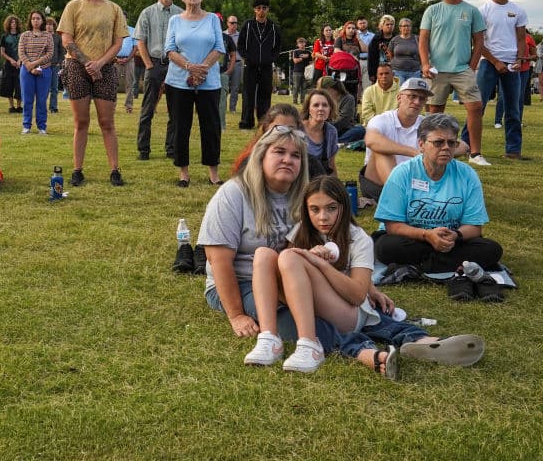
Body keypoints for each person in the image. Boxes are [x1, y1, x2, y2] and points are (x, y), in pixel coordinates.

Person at [246, 175, 486, 376]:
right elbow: (286, 274)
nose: (323, 217)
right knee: (264, 255)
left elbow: (357, 294)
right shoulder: (301, 231)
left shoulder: (358, 238)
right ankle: (269, 339)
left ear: (344, 206)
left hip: (349, 313)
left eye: (331, 208)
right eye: (314, 210)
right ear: (306, 210)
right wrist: (307, 257)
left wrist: (319, 264)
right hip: (310, 304)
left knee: (289, 257)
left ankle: (310, 345)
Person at [201, 125, 341, 350]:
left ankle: (393, 330)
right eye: (279, 152)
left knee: (335, 307)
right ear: (261, 155)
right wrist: (236, 315)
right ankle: (358, 346)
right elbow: (218, 260)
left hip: (287, 276)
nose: (288, 160)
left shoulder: (303, 196)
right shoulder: (233, 194)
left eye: (296, 155)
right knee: (294, 323)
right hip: (241, 281)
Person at [374, 113, 504, 300]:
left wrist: (456, 235)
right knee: (386, 246)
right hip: (413, 239)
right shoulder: (402, 173)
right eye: (438, 142)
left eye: (451, 143)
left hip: (452, 241)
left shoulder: (467, 174)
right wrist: (427, 235)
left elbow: (475, 227)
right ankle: (456, 266)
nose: (446, 148)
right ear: (421, 144)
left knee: (492, 249)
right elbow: (392, 226)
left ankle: (419, 267)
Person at [57, 0, 129, 187]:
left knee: (107, 122)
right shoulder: (73, 6)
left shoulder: (114, 9)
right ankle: (78, 169)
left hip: (106, 67)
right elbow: (66, 40)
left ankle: (115, 170)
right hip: (77, 67)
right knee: (81, 122)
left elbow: (118, 43)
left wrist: (100, 64)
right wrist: (89, 63)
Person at [418, 0, 490, 166]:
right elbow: (423, 39)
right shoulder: (432, 10)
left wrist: (472, 67)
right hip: (437, 70)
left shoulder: (471, 11)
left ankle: (475, 153)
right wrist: (425, 63)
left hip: (462, 69)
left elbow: (479, 41)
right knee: (435, 111)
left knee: (475, 107)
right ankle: (432, 149)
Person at [163, 0, 225, 187]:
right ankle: (183, 173)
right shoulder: (175, 20)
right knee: (181, 126)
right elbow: (170, 50)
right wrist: (190, 67)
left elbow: (219, 47)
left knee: (211, 127)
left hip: (209, 82)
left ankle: (213, 173)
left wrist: (203, 68)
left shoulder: (213, 19)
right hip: (179, 82)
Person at [477, 0, 528, 160]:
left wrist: (519, 60)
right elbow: (479, 43)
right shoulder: (483, 10)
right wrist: (495, 61)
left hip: (512, 64)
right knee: (478, 106)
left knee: (514, 107)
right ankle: (467, 145)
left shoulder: (518, 10)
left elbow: (522, 39)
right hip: (489, 63)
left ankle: (513, 150)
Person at [134, 0, 182, 160]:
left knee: (175, 110)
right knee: (147, 109)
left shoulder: (181, 14)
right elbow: (140, 41)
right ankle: (143, 150)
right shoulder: (147, 13)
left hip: (175, 65)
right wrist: (149, 66)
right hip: (153, 63)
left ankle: (171, 149)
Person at [237, 0, 282, 129]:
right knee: (248, 95)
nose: (261, 11)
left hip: (266, 66)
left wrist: (271, 58)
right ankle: (246, 122)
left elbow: (278, 46)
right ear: (254, 10)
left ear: (267, 10)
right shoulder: (248, 25)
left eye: (264, 8)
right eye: (258, 8)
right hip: (250, 66)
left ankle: (263, 122)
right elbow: (240, 45)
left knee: (265, 95)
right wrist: (247, 58)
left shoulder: (273, 27)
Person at [18, 9, 54, 135]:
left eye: (38, 18)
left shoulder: (48, 36)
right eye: (33, 18)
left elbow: (50, 53)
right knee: (27, 99)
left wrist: (37, 65)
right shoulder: (24, 35)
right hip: (27, 70)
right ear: (30, 20)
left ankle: (42, 127)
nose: (36, 21)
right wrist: (30, 66)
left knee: (42, 99)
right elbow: (21, 53)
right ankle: (26, 125)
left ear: (42, 20)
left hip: (44, 70)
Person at [301, 89, 338, 176]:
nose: (321, 108)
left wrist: (336, 187)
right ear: (308, 109)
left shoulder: (331, 132)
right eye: (316, 105)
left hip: (320, 181)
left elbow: (331, 164)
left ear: (330, 109)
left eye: (325, 105)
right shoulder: (298, 129)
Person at [318, 75, 365, 145]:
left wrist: (328, 128)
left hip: (343, 130)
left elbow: (344, 119)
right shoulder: (323, 99)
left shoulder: (348, 98)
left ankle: (335, 142)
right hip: (324, 129)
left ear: (331, 88)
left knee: (360, 130)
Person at [0, 14, 23, 113]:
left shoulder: (22, 35)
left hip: (20, 64)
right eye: (12, 22)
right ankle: (11, 106)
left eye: (15, 22)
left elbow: (24, 50)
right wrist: (11, 60)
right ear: (8, 24)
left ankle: (19, 106)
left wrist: (19, 60)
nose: (14, 24)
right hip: (9, 65)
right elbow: (2, 52)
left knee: (20, 85)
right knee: (9, 85)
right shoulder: (4, 36)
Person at [387, 18, 420, 84]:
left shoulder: (417, 39)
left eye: (408, 26)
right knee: (399, 92)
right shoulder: (395, 40)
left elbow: (422, 53)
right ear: (400, 28)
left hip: (414, 71)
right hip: (398, 71)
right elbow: (390, 53)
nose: (406, 28)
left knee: (413, 92)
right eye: (404, 26)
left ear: (411, 27)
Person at [218, 20, 237, 130]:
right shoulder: (205, 37)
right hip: (207, 74)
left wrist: (230, 69)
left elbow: (233, 54)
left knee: (222, 102)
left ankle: (221, 126)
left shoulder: (227, 38)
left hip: (222, 74)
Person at [367, 15, 395, 84]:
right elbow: (371, 57)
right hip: (379, 69)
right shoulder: (376, 39)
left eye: (391, 24)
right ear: (382, 26)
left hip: (394, 70)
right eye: (387, 24)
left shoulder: (397, 38)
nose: (389, 26)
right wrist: (371, 73)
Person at [226, 15, 243, 112]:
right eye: (232, 23)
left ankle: (232, 108)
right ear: (227, 23)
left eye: (236, 23)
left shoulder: (241, 36)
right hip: (225, 64)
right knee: (223, 86)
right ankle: (221, 107)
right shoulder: (222, 34)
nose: (234, 25)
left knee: (235, 87)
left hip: (237, 63)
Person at [46, 16, 64, 113]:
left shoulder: (57, 37)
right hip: (44, 66)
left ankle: (53, 107)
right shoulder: (42, 36)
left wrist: (59, 63)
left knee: (54, 88)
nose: (48, 27)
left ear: (54, 26)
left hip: (55, 66)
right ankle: (42, 107)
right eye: (47, 25)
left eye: (50, 25)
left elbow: (62, 51)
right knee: (44, 88)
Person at [290, 37, 311, 105]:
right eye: (300, 43)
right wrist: (303, 57)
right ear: (297, 44)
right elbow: (295, 61)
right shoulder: (295, 52)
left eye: (303, 42)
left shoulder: (308, 52)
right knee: (296, 86)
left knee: (304, 87)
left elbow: (312, 61)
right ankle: (295, 101)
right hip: (297, 72)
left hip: (306, 72)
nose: (302, 44)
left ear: (305, 43)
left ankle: (302, 101)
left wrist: (308, 56)